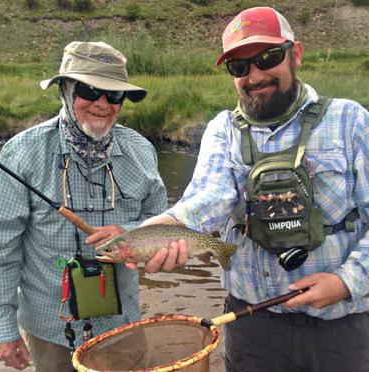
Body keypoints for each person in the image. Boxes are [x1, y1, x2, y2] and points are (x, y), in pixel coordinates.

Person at [140, 6, 369, 372]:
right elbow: (210, 195)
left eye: (268, 57)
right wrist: (169, 222)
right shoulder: (222, 129)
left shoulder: (350, 120)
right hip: (251, 326)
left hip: (341, 326)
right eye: (240, 67)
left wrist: (347, 282)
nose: (255, 75)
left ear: (296, 54)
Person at [0, 41, 167, 371]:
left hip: (122, 324)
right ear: (66, 90)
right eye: (89, 90)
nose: (102, 103)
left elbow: (162, 227)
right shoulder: (21, 153)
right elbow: (0, 251)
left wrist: (133, 236)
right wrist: (4, 327)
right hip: (51, 330)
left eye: (114, 95)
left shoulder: (142, 152)